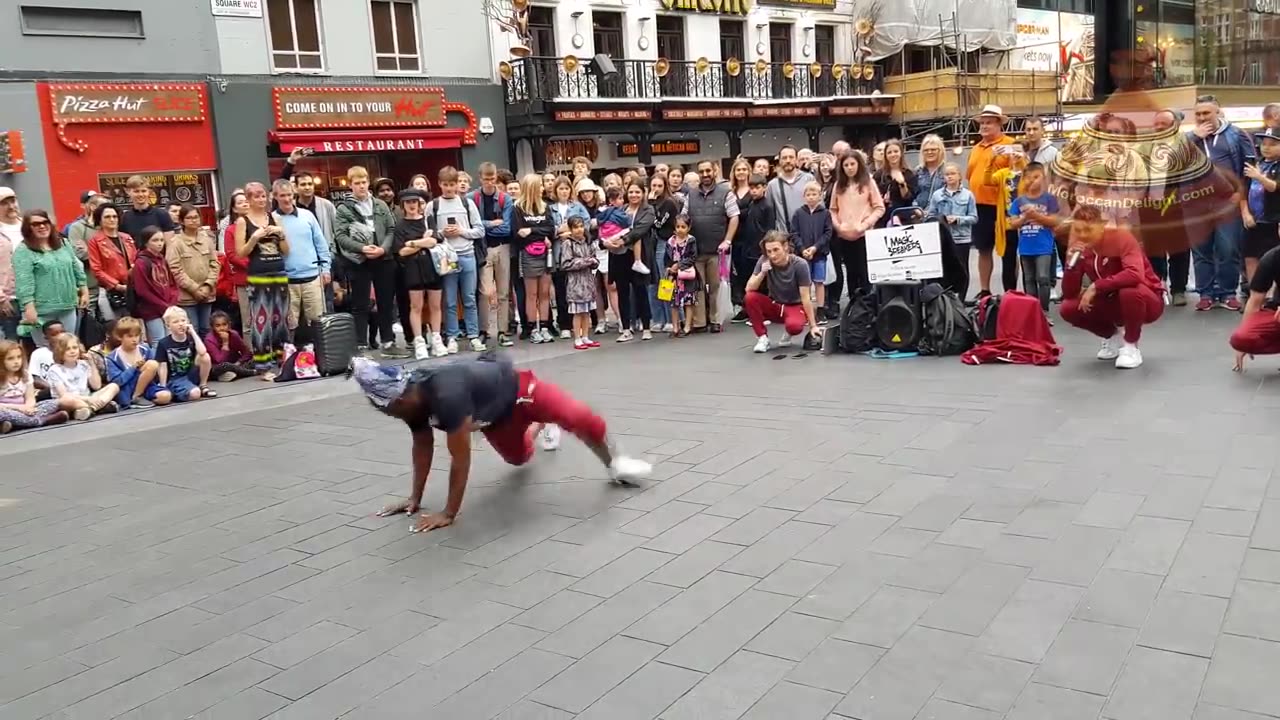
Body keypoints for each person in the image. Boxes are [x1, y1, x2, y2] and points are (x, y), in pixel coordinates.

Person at [353, 353, 652, 533]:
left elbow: (460, 459)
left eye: (384, 408)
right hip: (494, 420)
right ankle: (542, 424)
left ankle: (614, 464)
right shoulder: (412, 405)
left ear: (399, 399)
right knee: (519, 457)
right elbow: (422, 446)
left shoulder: (446, 396)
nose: (386, 414)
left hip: (521, 391)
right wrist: (414, 498)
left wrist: (448, 513)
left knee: (579, 416)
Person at [1059, 206, 1164, 369]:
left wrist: (1096, 286)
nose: (1082, 235)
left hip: (1146, 299)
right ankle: (1113, 337)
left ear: (1101, 227)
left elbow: (1135, 274)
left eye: (1088, 230)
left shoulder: (1121, 238)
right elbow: (1069, 293)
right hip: (1110, 299)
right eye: (1078, 230)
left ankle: (1131, 346)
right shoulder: (1080, 250)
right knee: (1068, 308)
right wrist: (1071, 266)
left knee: (1129, 290)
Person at [334, 166, 402, 356]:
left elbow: (391, 229)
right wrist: (362, 248)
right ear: (351, 185)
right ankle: (361, 345)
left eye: (364, 182)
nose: (362, 186)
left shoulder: (380, 204)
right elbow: (340, 236)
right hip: (359, 260)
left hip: (383, 258)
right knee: (360, 303)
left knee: (386, 302)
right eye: (357, 183)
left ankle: (388, 342)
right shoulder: (344, 208)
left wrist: (383, 248)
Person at [427, 167, 486, 353]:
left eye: (452, 185)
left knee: (469, 298)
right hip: (445, 256)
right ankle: (452, 336)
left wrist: (461, 231)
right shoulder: (433, 205)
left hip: (467, 254)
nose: (449, 189)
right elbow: (428, 233)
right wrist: (441, 233)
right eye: (445, 185)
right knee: (450, 300)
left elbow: (479, 230)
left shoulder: (467, 203)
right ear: (439, 184)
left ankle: (473, 336)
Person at [966, 104, 1022, 300]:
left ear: (999, 124)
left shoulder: (1011, 144)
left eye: (988, 122)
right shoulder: (975, 148)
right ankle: (984, 289)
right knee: (983, 248)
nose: (984, 126)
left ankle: (1011, 290)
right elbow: (970, 175)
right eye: (982, 122)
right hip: (980, 205)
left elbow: (1018, 174)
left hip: (1003, 206)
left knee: (1008, 250)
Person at [13, 210, 88, 347]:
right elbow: (24, 282)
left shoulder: (63, 243)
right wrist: (29, 308)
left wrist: (84, 289)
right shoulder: (23, 251)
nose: (42, 226)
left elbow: (76, 267)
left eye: (45, 222)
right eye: (36, 224)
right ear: (28, 228)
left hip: (68, 306)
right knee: (46, 351)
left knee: (68, 346)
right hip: (41, 311)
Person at [392, 189, 447, 359]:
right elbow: (401, 251)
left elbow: (433, 241)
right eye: (408, 202)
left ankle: (437, 339)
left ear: (419, 203)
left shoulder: (427, 219)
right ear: (403, 205)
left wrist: (414, 243)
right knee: (415, 306)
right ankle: (419, 341)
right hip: (412, 268)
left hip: (431, 265)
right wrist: (423, 242)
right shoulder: (400, 225)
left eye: (414, 202)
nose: (411, 205)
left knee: (436, 305)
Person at [685, 159, 739, 333]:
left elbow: (734, 217)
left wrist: (728, 240)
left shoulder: (726, 192)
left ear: (714, 171)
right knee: (697, 287)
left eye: (708, 170)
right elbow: (683, 218)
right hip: (695, 250)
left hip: (717, 250)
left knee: (716, 287)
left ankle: (716, 320)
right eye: (702, 171)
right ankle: (700, 322)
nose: (705, 174)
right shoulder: (690, 194)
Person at [745, 231, 821, 353]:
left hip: (794, 305)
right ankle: (762, 338)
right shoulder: (764, 260)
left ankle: (789, 331)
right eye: (769, 251)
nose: (772, 255)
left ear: (785, 247)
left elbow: (806, 297)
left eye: (776, 250)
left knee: (794, 326)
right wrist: (762, 273)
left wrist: (813, 326)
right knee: (750, 297)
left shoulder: (800, 265)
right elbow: (749, 288)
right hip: (776, 304)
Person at [829, 150, 885, 299]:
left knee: (865, 272)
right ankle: (854, 308)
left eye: (852, 164)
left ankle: (867, 307)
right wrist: (838, 226)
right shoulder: (838, 185)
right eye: (846, 165)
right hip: (844, 237)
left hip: (864, 235)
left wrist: (865, 224)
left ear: (858, 164)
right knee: (851, 273)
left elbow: (879, 208)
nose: (849, 167)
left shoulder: (868, 182)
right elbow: (833, 209)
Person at [1008, 163, 1061, 314]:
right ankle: (1033, 311)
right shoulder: (1019, 201)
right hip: (1026, 246)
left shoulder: (1049, 199)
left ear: (1043, 178)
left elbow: (1054, 221)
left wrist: (1036, 216)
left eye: (1036, 177)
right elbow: (1013, 223)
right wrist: (1025, 216)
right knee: (1029, 279)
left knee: (1043, 277)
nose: (1032, 181)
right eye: (1029, 178)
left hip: (1044, 245)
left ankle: (1044, 310)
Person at [513, 173, 557, 344]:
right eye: (539, 185)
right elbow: (518, 233)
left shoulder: (544, 207)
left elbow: (550, 229)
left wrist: (532, 231)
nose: (542, 188)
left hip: (546, 253)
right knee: (531, 294)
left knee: (545, 292)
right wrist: (539, 234)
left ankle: (545, 327)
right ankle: (532, 328)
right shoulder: (518, 208)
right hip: (528, 254)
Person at [167, 203, 221, 336]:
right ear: (182, 221)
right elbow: (175, 269)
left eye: (196, 217)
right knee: (191, 330)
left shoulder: (207, 239)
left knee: (207, 329)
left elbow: (215, 263)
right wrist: (194, 289)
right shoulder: (175, 243)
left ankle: (207, 355)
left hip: (207, 294)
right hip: (187, 297)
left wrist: (208, 285)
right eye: (189, 218)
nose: (193, 220)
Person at [731, 174, 776, 321]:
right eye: (751, 188)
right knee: (747, 280)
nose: (754, 191)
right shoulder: (751, 204)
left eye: (757, 187)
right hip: (748, 248)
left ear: (764, 188)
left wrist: (766, 250)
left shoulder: (768, 206)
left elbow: (769, 230)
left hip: (760, 250)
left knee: (762, 283)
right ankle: (750, 311)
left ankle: (763, 313)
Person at [0, 339, 69, 433]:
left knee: (54, 403)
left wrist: (29, 407)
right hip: (7, 409)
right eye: (10, 358)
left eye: (19, 357)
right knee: (2, 414)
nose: (16, 362)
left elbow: (30, 398)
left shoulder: (26, 374)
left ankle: (16, 424)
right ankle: (43, 420)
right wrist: (19, 408)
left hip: (24, 409)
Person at [45, 333, 119, 420]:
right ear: (60, 351)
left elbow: (96, 386)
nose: (72, 351)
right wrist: (88, 399)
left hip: (88, 397)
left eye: (75, 348)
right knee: (68, 399)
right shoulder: (54, 370)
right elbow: (63, 395)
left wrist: (91, 364)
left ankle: (91, 409)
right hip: (71, 401)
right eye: (67, 349)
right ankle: (99, 407)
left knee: (114, 386)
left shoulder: (83, 365)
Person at [105, 316, 171, 409]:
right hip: (128, 389)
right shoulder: (112, 357)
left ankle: (140, 398)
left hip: (147, 387)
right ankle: (135, 397)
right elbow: (117, 381)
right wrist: (134, 367)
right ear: (120, 337)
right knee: (151, 364)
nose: (134, 339)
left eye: (136, 335)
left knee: (166, 396)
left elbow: (154, 373)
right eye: (130, 336)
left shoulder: (145, 349)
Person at [789, 181, 833, 319]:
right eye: (808, 194)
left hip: (819, 254)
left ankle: (820, 309)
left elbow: (828, 233)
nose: (811, 197)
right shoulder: (798, 213)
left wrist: (815, 247)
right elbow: (794, 233)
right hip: (803, 254)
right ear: (804, 196)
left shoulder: (825, 213)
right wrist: (802, 249)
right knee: (805, 283)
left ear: (820, 196)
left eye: (814, 194)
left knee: (819, 281)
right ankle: (806, 309)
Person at [1242, 127, 1280, 286]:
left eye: (1272, 144)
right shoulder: (1256, 163)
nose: (1266, 147)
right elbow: (1242, 191)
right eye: (1264, 143)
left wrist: (1259, 177)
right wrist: (1245, 213)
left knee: (1272, 259)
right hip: (1253, 220)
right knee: (1250, 257)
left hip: (1274, 220)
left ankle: (1273, 296)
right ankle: (1255, 293)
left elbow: (1275, 187)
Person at [155, 305, 215, 401]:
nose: (181, 324)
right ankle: (179, 393)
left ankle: (203, 385)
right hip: (175, 378)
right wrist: (163, 386)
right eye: (176, 322)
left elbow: (203, 352)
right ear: (168, 326)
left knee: (205, 356)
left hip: (190, 374)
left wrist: (193, 333)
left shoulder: (190, 338)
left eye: (183, 320)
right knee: (195, 394)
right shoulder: (163, 343)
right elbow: (162, 366)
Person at [131, 227, 180, 344]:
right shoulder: (141, 262)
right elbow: (142, 290)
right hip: (151, 309)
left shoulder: (162, 259)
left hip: (168, 307)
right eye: (155, 240)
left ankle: (168, 362)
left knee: (170, 338)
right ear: (146, 242)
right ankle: (157, 363)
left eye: (161, 240)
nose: (159, 244)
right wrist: (163, 305)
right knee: (158, 340)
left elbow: (172, 284)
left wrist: (172, 302)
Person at [560, 216, 600, 349]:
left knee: (586, 311)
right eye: (575, 227)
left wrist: (593, 262)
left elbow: (595, 259)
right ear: (570, 229)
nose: (579, 230)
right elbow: (565, 264)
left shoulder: (588, 242)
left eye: (581, 226)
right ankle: (577, 337)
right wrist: (585, 262)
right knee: (577, 312)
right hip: (575, 283)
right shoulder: (568, 243)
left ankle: (586, 336)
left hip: (588, 282)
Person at [768, 146, 816, 234]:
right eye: (784, 158)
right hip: (785, 238)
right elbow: (770, 214)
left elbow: (819, 207)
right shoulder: (773, 185)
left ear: (797, 160)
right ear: (780, 161)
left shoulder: (809, 179)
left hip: (808, 234)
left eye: (791, 157)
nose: (788, 160)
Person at [665, 214, 699, 337]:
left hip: (687, 274)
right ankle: (675, 327)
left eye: (683, 227)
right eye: (678, 226)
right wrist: (669, 268)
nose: (680, 229)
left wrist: (679, 265)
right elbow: (666, 257)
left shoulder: (691, 240)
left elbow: (693, 257)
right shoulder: (670, 241)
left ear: (688, 228)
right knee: (674, 302)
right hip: (674, 276)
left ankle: (687, 326)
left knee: (688, 301)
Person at [204, 310, 256, 381]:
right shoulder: (209, 339)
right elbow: (220, 361)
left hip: (236, 364)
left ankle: (235, 374)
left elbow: (247, 353)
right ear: (212, 327)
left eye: (224, 324)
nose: (222, 328)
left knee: (257, 359)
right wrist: (225, 343)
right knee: (225, 366)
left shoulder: (234, 334)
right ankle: (251, 372)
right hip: (219, 367)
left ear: (229, 325)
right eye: (217, 326)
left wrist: (238, 362)